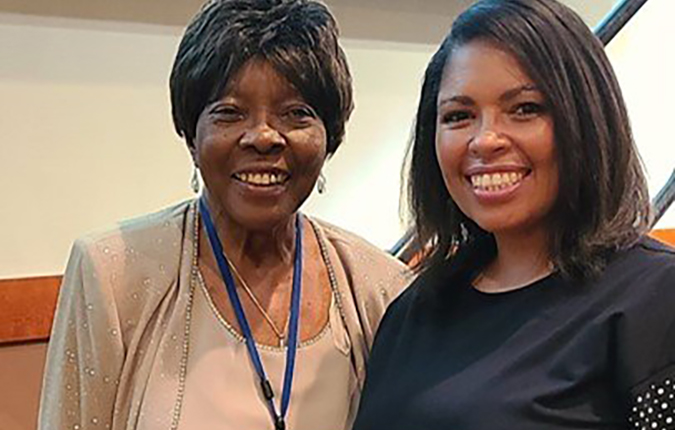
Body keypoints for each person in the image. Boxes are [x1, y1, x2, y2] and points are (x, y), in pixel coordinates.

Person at [38, 1, 409, 429]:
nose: (264, 137)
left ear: (329, 138)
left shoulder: (381, 288)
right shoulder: (112, 273)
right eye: (230, 112)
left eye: (297, 114)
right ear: (191, 136)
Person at [352, 0, 675, 429]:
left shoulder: (655, 299)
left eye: (525, 109)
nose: (485, 140)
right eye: (459, 116)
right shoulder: (414, 310)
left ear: (586, 118)